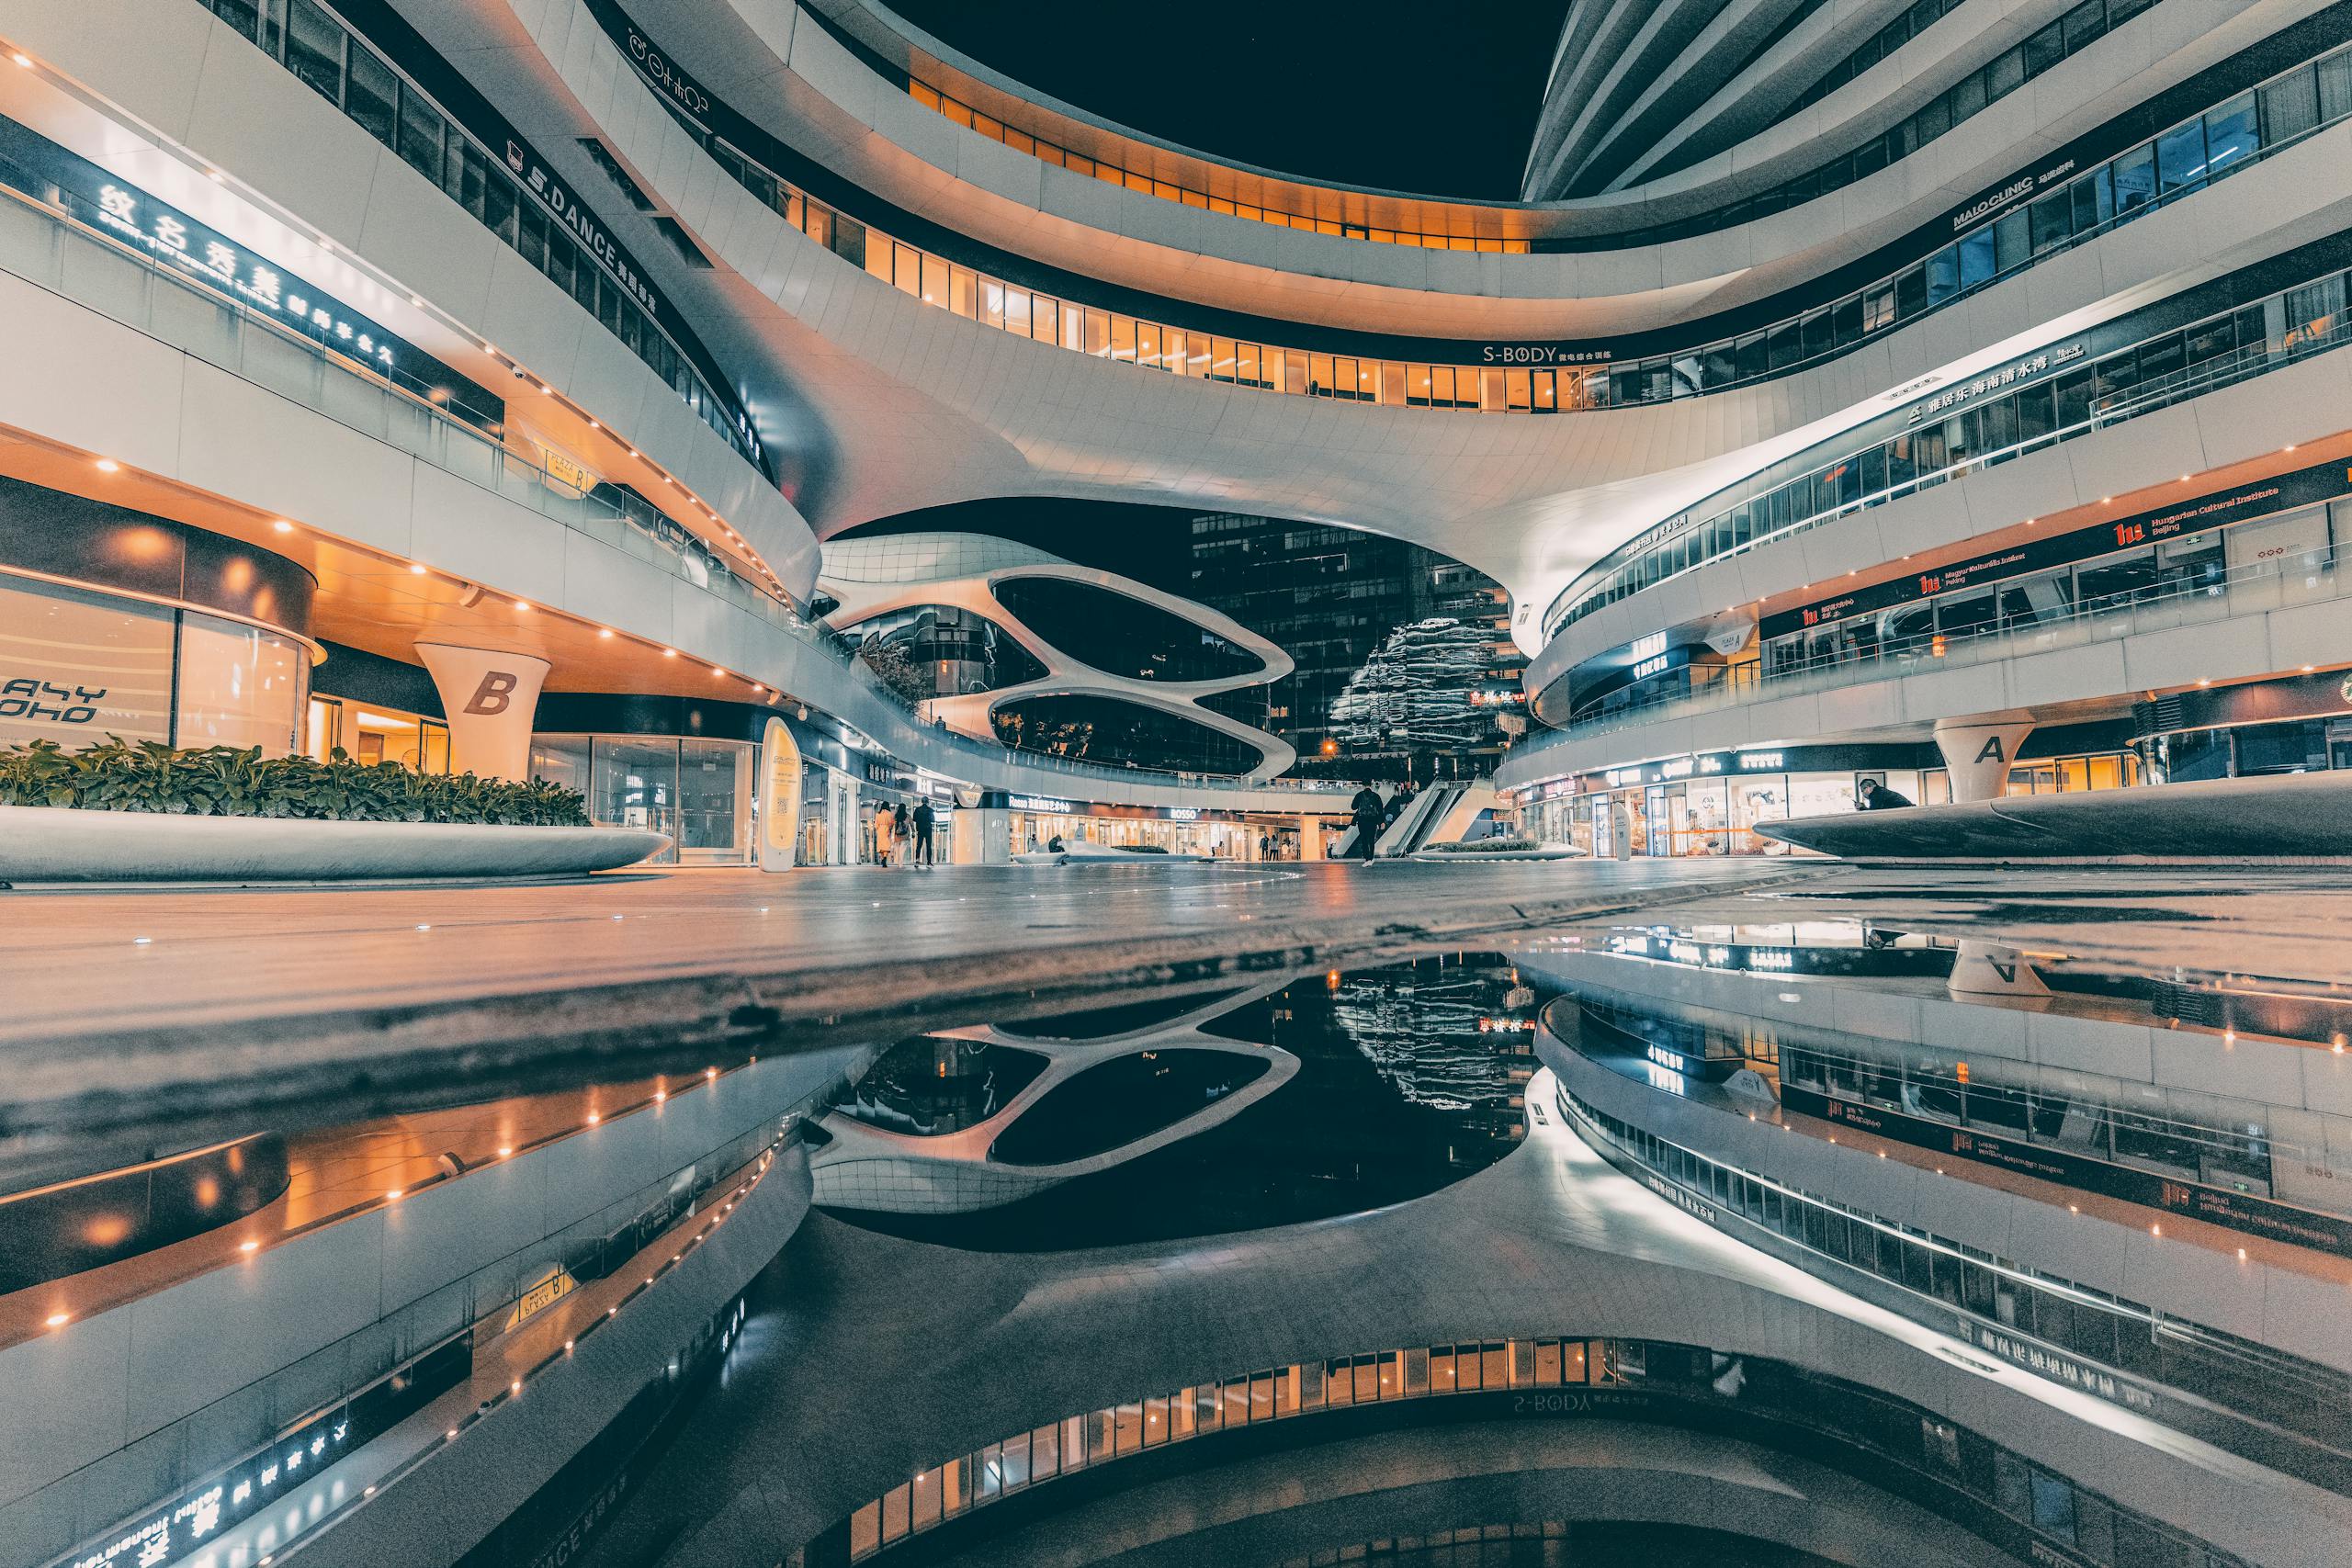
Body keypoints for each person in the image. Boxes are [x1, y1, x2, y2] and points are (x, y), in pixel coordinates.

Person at [1348, 784, 1385, 861]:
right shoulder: (1376, 796)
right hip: (1373, 820)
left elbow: (1353, 807)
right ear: (1371, 786)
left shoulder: (1359, 795)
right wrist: (1381, 821)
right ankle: (1371, 856)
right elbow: (1380, 809)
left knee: (1364, 838)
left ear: (1363, 786)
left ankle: (1366, 856)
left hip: (1362, 820)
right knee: (1371, 839)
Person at [911, 797, 937, 867]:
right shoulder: (930, 810)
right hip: (928, 829)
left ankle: (917, 861)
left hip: (920, 829)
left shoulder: (917, 810)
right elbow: (933, 820)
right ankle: (929, 862)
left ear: (921, 801)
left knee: (919, 845)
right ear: (928, 802)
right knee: (929, 846)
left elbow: (914, 819)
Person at [872, 803, 897, 867]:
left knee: (881, 845)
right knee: (886, 845)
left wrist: (877, 829)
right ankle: (884, 858)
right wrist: (890, 828)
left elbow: (876, 824)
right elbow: (892, 822)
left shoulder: (878, 814)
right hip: (886, 829)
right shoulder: (889, 813)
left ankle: (883, 859)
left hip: (880, 830)